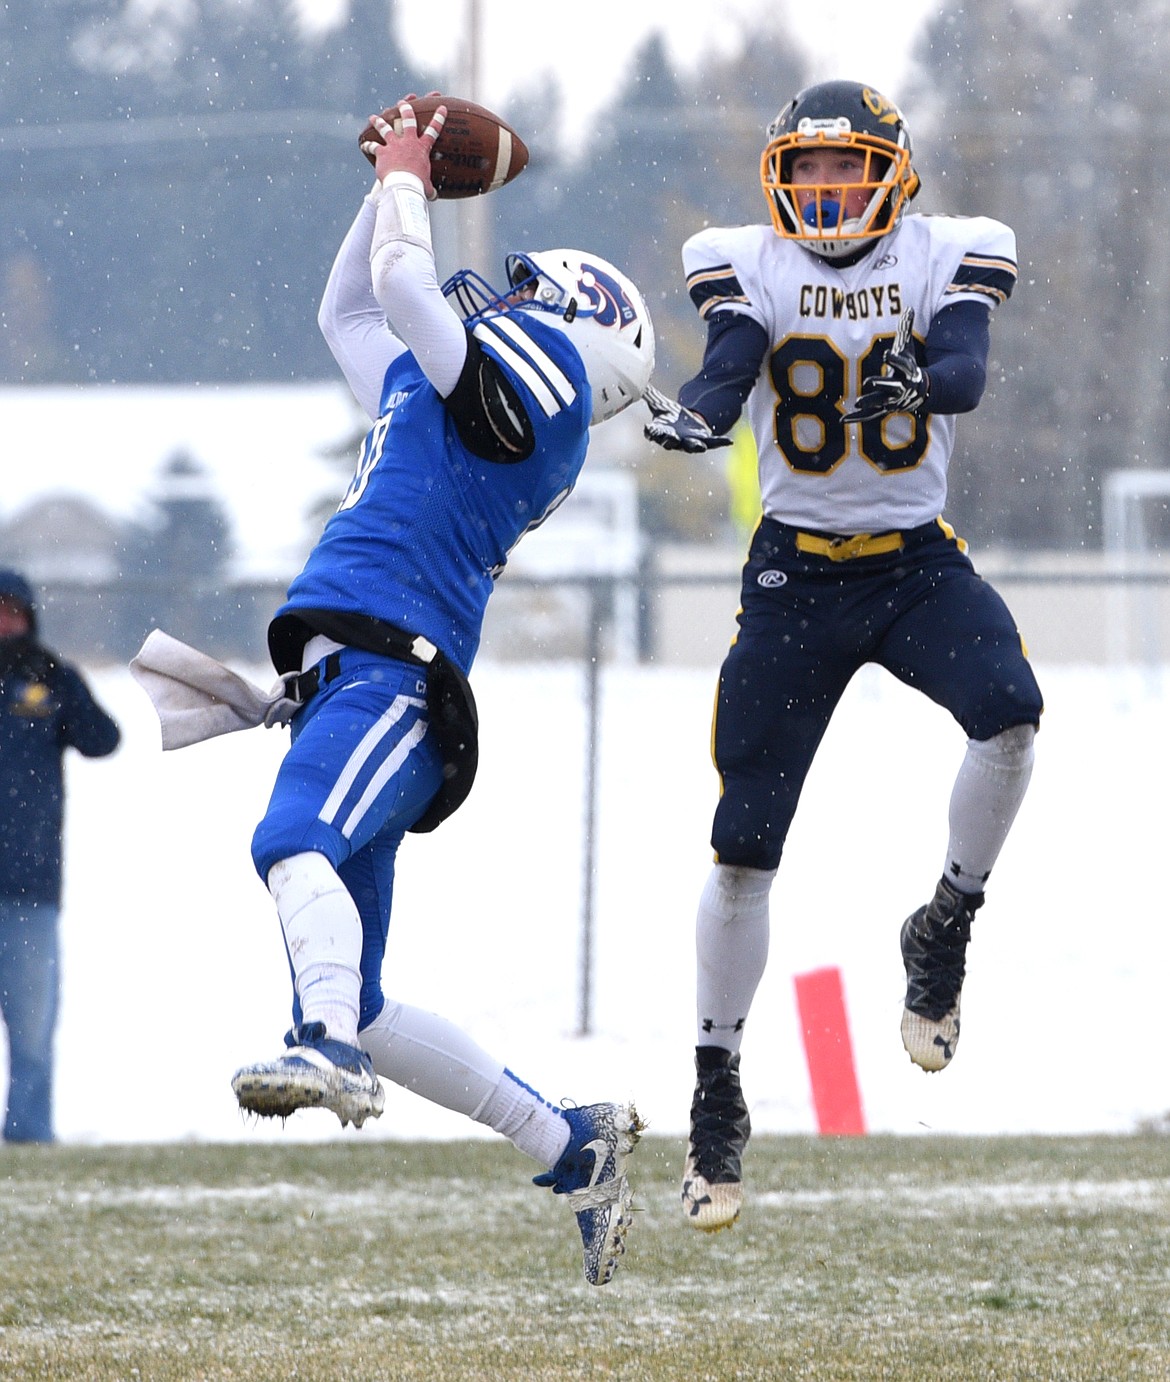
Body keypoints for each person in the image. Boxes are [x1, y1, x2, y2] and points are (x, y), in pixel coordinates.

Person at [227, 99, 654, 1286]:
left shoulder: (549, 384)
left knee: (291, 837)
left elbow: (412, 293)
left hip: (394, 667)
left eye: (529, 288)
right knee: (364, 993)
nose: (503, 295)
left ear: (578, 321)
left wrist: (415, 171)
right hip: (362, 667)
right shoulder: (457, 396)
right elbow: (352, 307)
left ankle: (320, 1050)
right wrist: (383, 184)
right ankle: (571, 1144)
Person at [644, 80, 1043, 1231]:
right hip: (795, 576)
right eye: (807, 172)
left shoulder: (948, 252)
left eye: (845, 169)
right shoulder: (746, 261)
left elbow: (962, 366)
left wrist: (914, 374)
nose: (824, 191)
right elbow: (731, 358)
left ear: (892, 173)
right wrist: (704, 411)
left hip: (913, 561)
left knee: (1012, 712)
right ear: (781, 180)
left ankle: (945, 921)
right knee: (742, 845)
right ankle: (717, 1094)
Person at [0, 569, 121, 1143]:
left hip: (30, 887)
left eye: (14, 611)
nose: (6, 622)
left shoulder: (45, 681)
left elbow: (103, 740)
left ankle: (26, 1141)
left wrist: (63, 684)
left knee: (31, 1033)